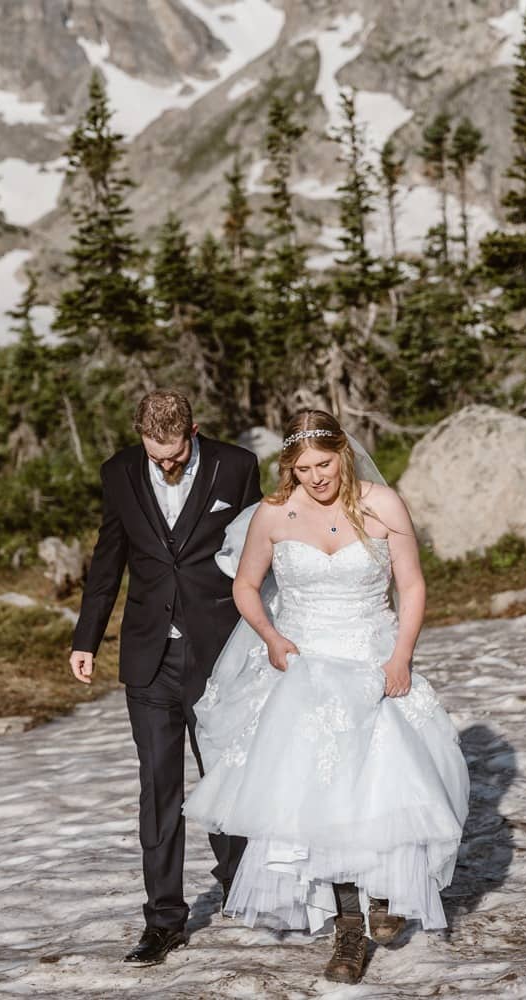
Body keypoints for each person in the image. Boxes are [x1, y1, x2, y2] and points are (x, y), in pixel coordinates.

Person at [185, 409, 470, 985]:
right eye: (303, 467)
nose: (316, 477)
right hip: (306, 668)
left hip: (373, 656)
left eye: (324, 463)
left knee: (386, 778)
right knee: (318, 797)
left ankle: (387, 891)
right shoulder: (273, 514)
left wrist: (401, 657)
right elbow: (244, 585)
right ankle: (346, 927)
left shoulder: (381, 506)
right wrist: (271, 637)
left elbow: (411, 585)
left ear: (344, 453)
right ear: (289, 466)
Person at [69, 390, 263, 966]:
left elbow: (258, 554)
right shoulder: (121, 471)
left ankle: (242, 888)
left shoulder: (236, 466)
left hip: (220, 651)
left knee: (226, 776)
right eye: (156, 455)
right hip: (148, 656)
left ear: (194, 431)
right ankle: (164, 920)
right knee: (158, 789)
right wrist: (86, 638)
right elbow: (109, 560)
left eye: (174, 454)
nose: (165, 464)